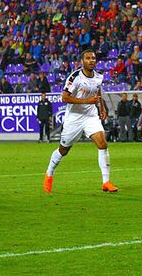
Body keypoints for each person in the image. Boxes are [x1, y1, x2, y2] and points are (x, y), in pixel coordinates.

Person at [43, 49, 118, 194]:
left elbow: (97, 91)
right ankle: (49, 173)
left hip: (90, 116)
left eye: (93, 58)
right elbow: (64, 98)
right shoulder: (75, 77)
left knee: (102, 143)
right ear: (82, 61)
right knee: (63, 150)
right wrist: (86, 101)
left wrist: (102, 108)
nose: (92, 60)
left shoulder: (98, 77)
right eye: (88, 58)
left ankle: (106, 182)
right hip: (74, 118)